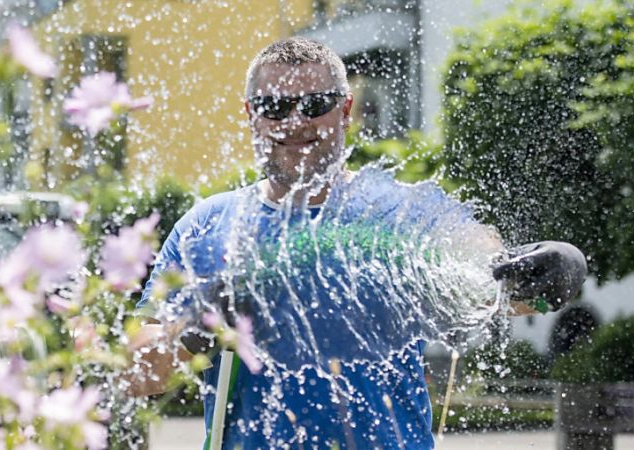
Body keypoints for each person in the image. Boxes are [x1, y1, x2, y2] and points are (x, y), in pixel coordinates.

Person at [126, 37, 587, 450]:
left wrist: (556, 269)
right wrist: (197, 325)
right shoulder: (208, 226)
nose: (294, 121)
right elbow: (135, 373)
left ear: (345, 109)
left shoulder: (402, 218)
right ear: (250, 114)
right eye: (274, 106)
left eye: (314, 104)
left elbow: (500, 288)